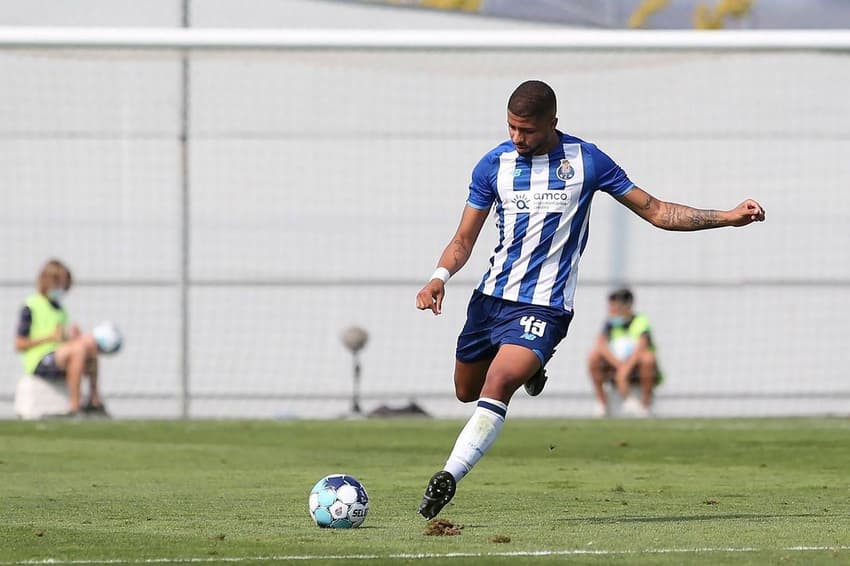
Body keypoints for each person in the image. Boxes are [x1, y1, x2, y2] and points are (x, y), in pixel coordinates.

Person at [414, 80, 765, 520]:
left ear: (553, 123)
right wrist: (438, 276)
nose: (518, 139)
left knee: (496, 384)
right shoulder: (493, 165)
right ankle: (534, 368)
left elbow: (657, 211)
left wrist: (727, 217)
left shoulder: (587, 161)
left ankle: (449, 475)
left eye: (528, 131)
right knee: (466, 392)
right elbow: (464, 239)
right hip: (489, 302)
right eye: (511, 128)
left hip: (544, 307)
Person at [14, 259, 108, 417]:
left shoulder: (60, 309)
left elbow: (61, 342)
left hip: (59, 356)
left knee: (89, 346)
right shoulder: (31, 305)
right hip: (39, 360)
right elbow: (19, 344)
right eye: (60, 284)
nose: (63, 289)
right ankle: (74, 407)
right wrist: (50, 337)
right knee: (78, 350)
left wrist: (72, 337)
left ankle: (94, 400)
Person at [588, 288, 661, 418]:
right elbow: (600, 345)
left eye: (615, 307)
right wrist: (620, 366)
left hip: (635, 367)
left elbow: (641, 348)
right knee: (593, 357)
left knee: (648, 359)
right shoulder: (609, 323)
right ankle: (602, 405)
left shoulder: (641, 321)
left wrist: (625, 370)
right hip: (617, 366)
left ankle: (645, 406)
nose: (611, 311)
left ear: (627, 306)